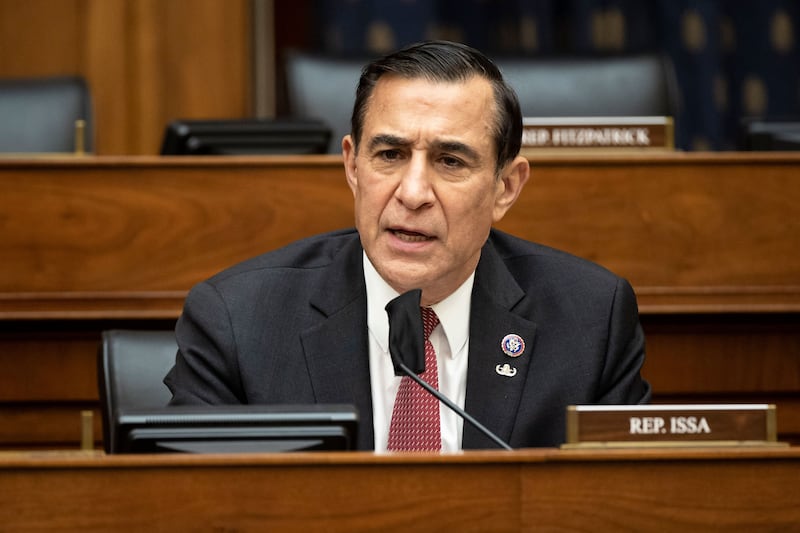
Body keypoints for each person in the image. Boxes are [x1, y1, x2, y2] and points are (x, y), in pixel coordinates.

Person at [164, 40, 651, 451]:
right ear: (353, 167)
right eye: (390, 155)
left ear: (506, 187)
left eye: (450, 162)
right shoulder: (239, 322)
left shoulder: (591, 321)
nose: (413, 193)